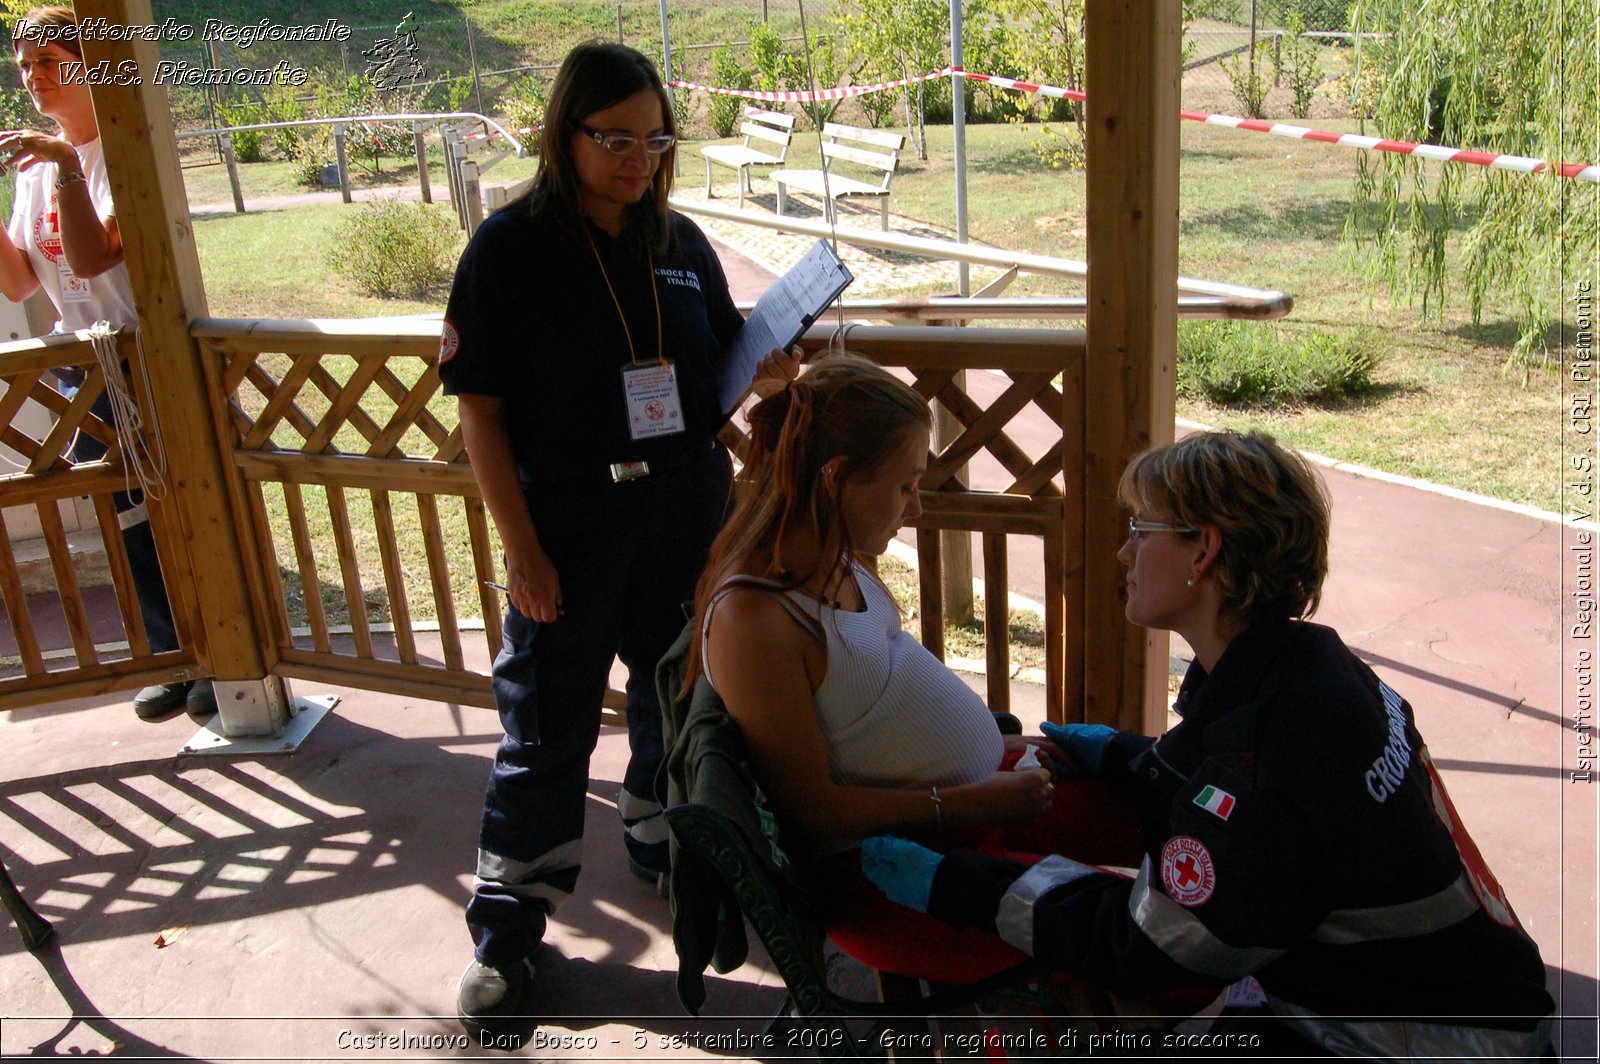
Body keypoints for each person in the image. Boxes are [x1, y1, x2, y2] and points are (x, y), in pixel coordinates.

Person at [861, 430, 1555, 1057]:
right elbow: (1226, 793)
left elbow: (1155, 943)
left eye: (1141, 529)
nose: (1123, 552)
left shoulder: (1267, 761)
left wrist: (957, 885)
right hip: (1465, 998)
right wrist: (1134, 759)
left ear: (1205, 549)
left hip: (1411, 1040)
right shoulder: (1315, 667)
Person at [438, 41, 797, 1042]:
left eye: (654, 138)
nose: (638, 158)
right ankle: (508, 932)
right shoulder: (508, 250)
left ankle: (660, 838)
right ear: (566, 134)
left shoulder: (678, 243)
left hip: (685, 509)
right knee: (546, 725)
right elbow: (482, 416)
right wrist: (523, 550)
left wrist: (761, 376)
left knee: (675, 696)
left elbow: (709, 371)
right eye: (615, 138)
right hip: (569, 523)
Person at [682, 353, 1144, 981]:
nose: (917, 509)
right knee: (1139, 936)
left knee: (1165, 821)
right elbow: (814, 808)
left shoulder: (833, 556)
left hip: (967, 807)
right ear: (837, 477)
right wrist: (968, 803)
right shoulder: (755, 620)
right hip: (897, 870)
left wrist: (1009, 748)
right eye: (905, 486)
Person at [0, 6, 206, 724]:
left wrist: (64, 169)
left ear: (90, 66)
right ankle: (174, 656)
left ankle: (224, 652)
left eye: (49, 61)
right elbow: (22, 284)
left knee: (187, 501)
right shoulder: (32, 169)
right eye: (24, 64)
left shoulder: (120, 152)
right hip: (77, 372)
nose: (33, 77)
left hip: (147, 359)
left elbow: (92, 257)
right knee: (127, 514)